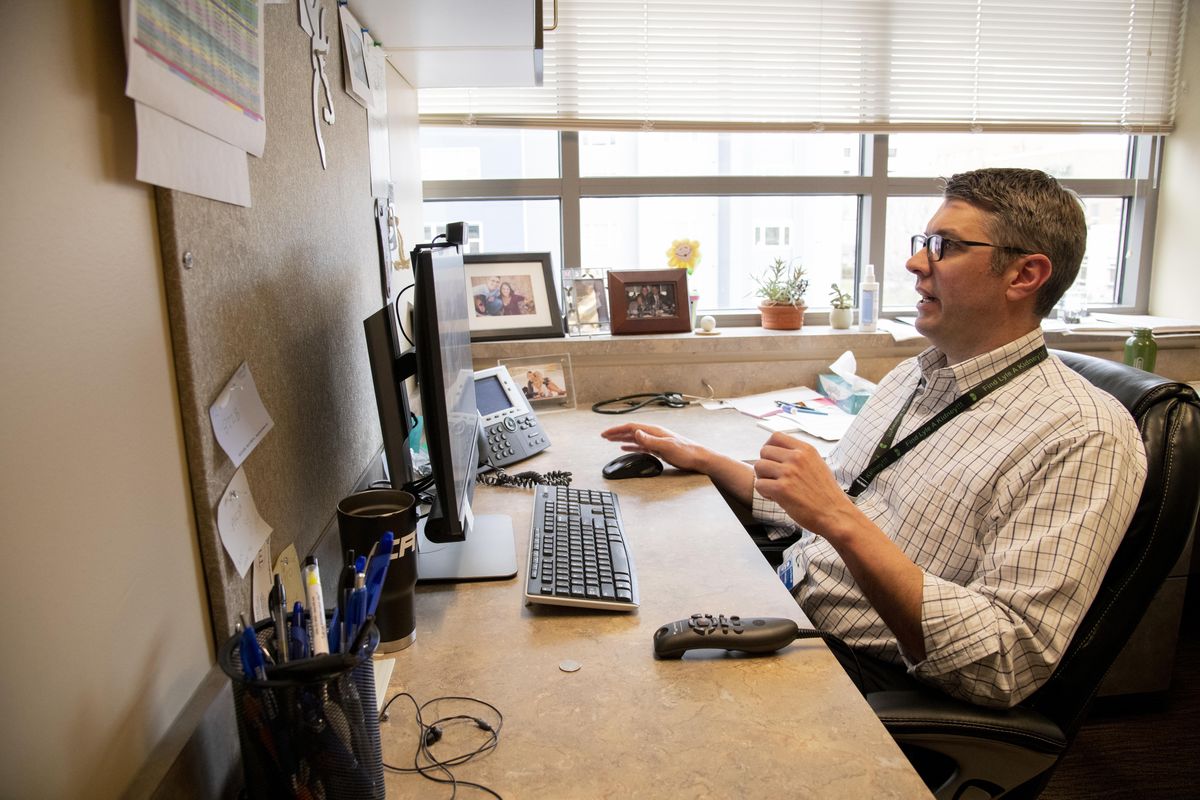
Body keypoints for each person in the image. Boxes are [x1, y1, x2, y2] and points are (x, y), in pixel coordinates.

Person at [602, 168, 1146, 709]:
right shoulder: (916, 375)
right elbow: (829, 501)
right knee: (622, 605)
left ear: (1024, 275)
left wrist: (839, 519)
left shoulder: (1084, 434)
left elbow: (1004, 662)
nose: (914, 262)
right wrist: (704, 458)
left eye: (944, 246)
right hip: (791, 601)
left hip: (867, 675)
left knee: (624, 700)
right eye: (921, 243)